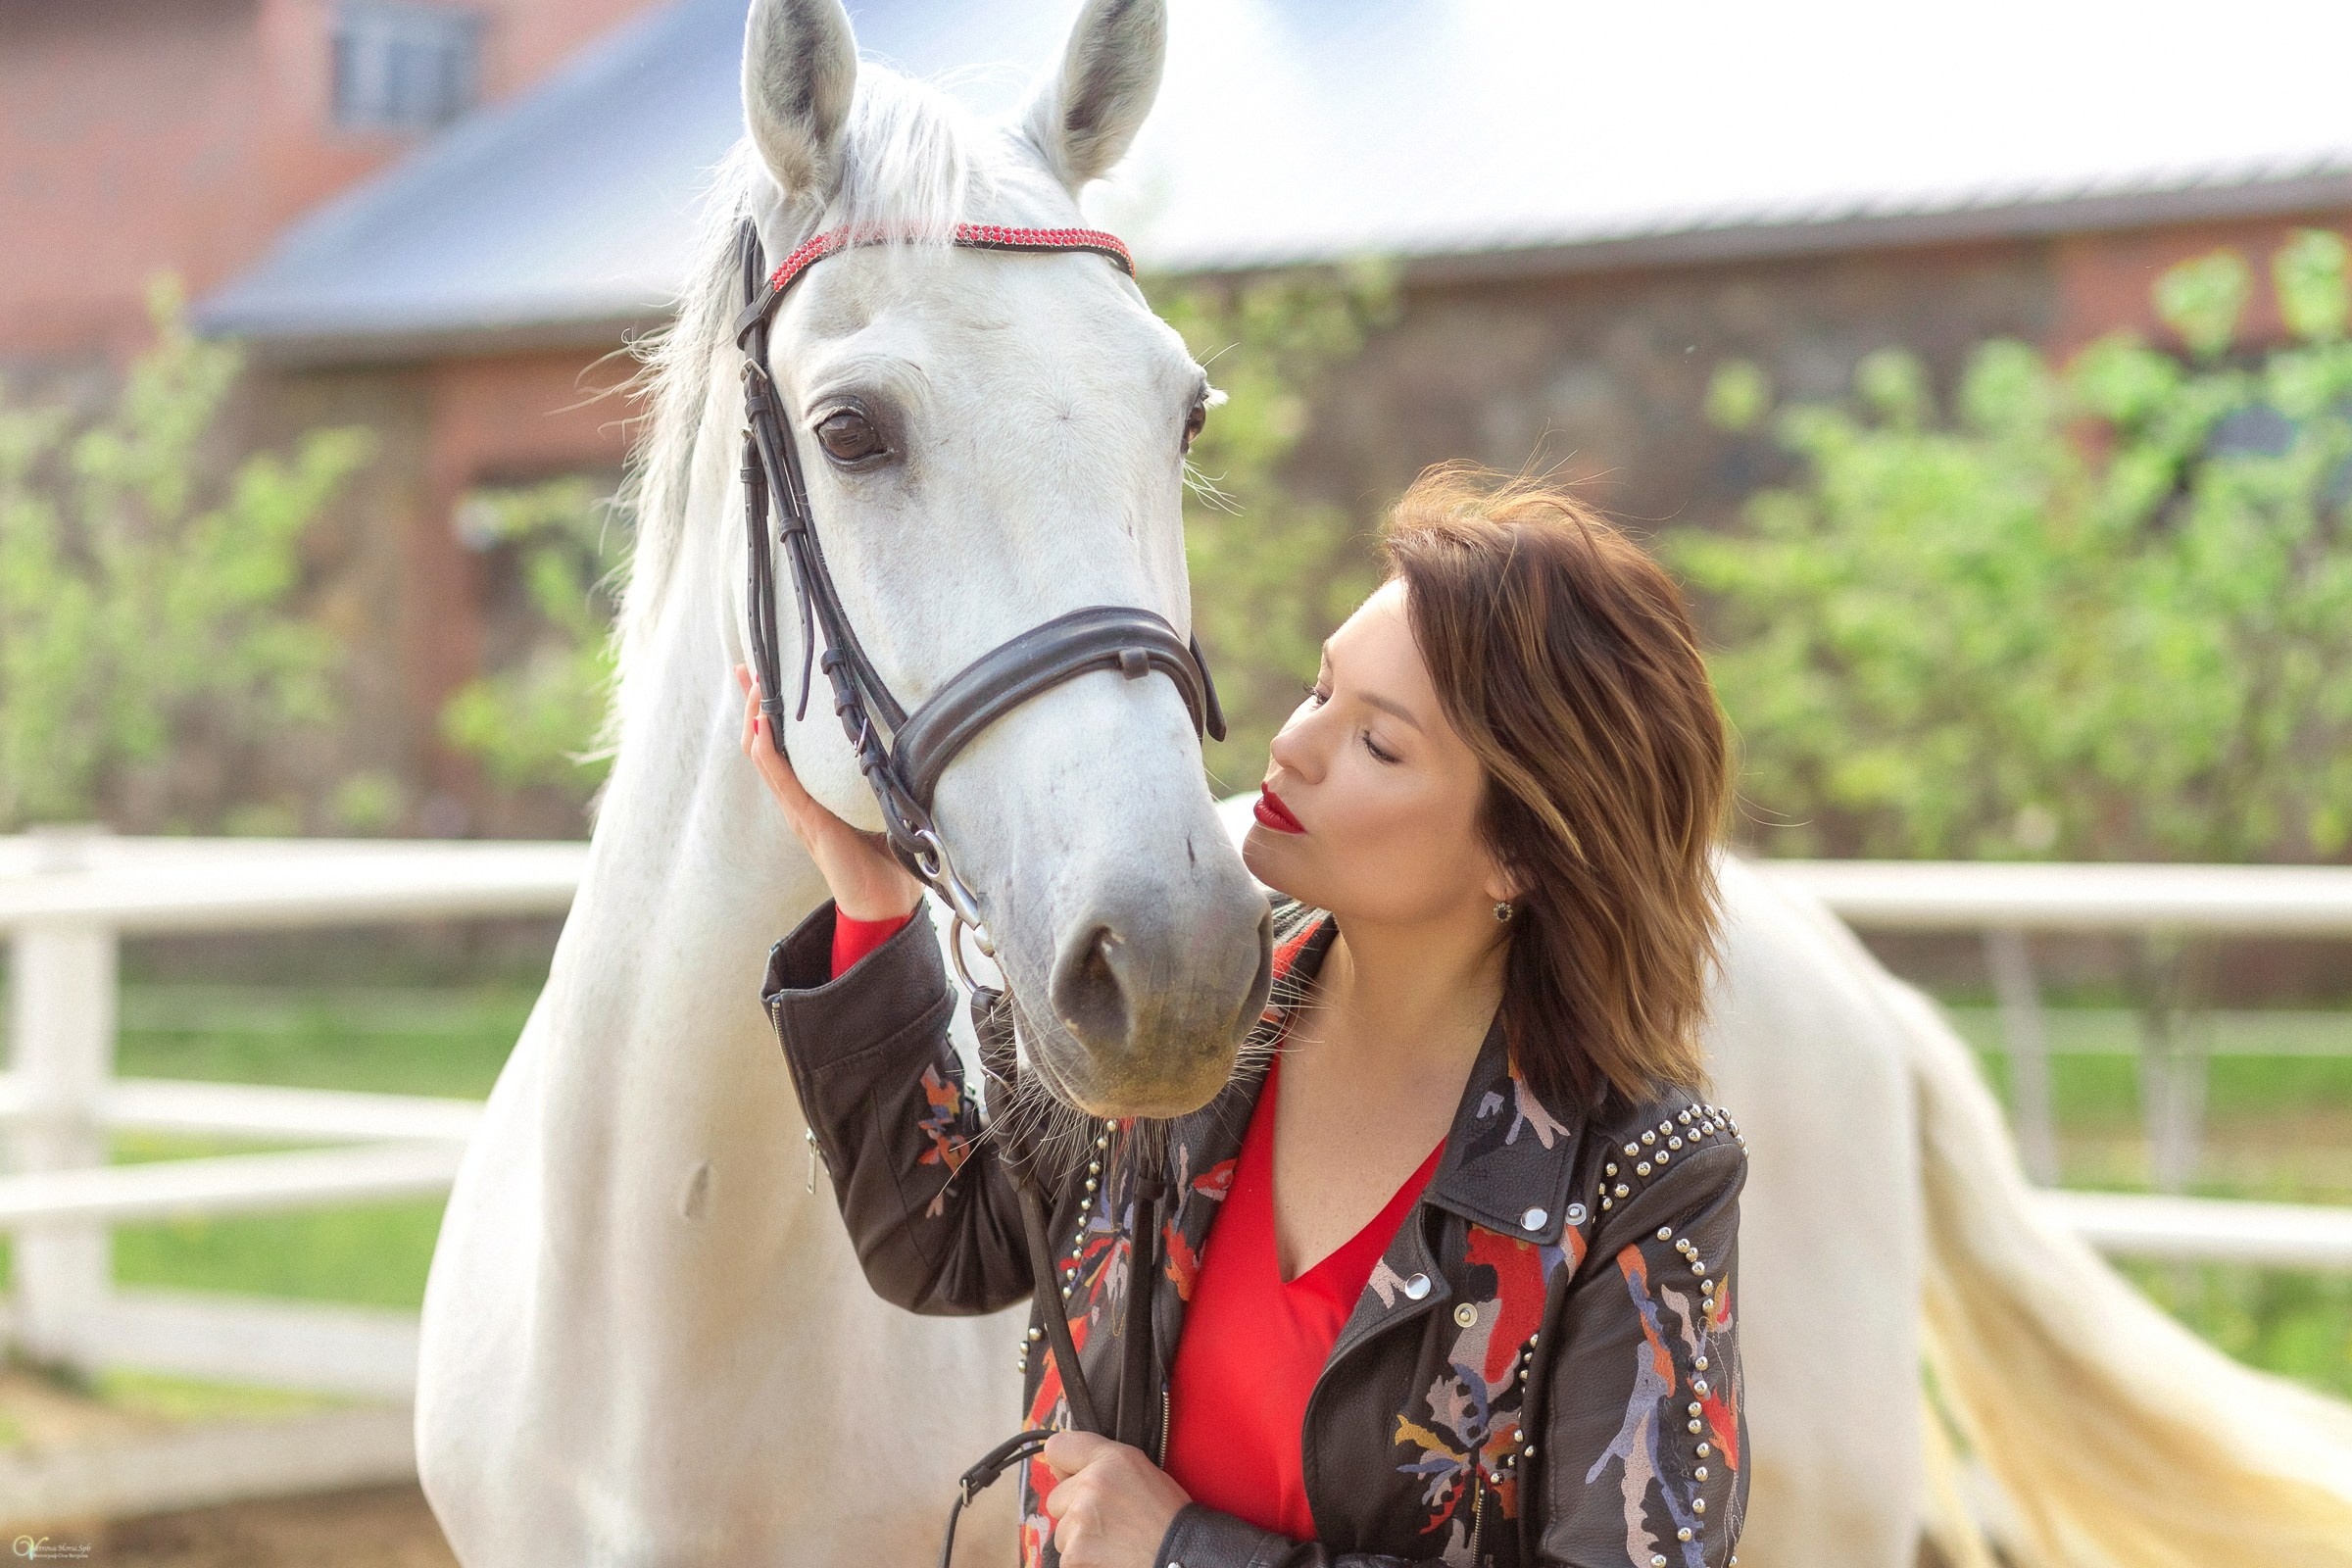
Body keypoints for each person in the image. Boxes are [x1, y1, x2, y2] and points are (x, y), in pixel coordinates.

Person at [740, 464, 1747, 1568]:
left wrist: (1182, 1551)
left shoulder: (1640, 1175)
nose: (1291, 746)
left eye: (1378, 743)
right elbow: (945, 1239)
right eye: (1322, 690)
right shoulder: (1196, 1000)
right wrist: (872, 903)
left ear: (1520, 848)